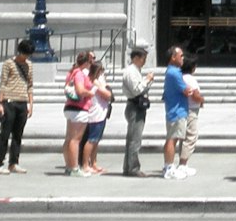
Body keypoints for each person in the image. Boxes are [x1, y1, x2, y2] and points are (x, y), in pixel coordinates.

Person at [0, 39, 34, 174]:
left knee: (18, 134)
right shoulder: (8, 64)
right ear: (20, 51)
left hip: (22, 102)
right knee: (5, 133)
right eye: (25, 54)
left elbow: (30, 85)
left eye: (28, 54)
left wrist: (31, 104)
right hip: (9, 101)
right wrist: (0, 103)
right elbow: (3, 83)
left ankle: (14, 162)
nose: (26, 57)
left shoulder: (29, 65)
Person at [61, 50, 97, 176]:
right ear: (86, 62)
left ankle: (69, 165)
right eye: (90, 60)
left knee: (69, 138)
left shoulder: (71, 72)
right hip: (79, 108)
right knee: (75, 139)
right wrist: (90, 93)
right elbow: (81, 90)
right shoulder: (80, 74)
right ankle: (74, 167)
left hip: (70, 107)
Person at [120, 45, 153, 176]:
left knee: (133, 138)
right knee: (134, 139)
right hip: (134, 106)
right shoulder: (131, 72)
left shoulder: (136, 71)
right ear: (136, 58)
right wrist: (147, 80)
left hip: (138, 106)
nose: (144, 61)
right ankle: (133, 168)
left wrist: (148, 82)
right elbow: (136, 90)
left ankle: (129, 167)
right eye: (143, 58)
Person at [159, 47, 191, 179]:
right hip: (176, 111)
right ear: (173, 57)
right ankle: (170, 166)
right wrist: (188, 89)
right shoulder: (174, 73)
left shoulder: (172, 72)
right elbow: (186, 90)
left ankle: (169, 165)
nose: (183, 58)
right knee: (172, 139)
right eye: (181, 56)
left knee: (173, 138)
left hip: (176, 109)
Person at [79, 57, 112, 175]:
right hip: (95, 113)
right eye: (101, 70)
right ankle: (85, 164)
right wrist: (105, 90)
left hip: (101, 112)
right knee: (92, 139)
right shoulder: (93, 81)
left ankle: (93, 163)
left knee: (96, 140)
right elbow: (106, 94)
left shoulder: (98, 80)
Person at [179, 55, 205, 173]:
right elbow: (195, 95)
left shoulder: (180, 77)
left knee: (183, 137)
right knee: (191, 136)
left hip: (183, 108)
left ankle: (182, 162)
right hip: (191, 110)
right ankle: (183, 163)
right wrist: (201, 99)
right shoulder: (190, 79)